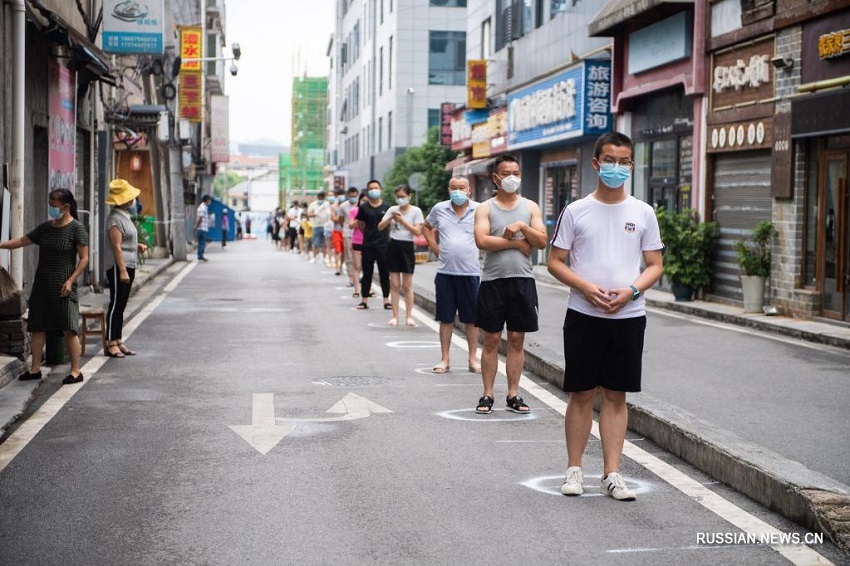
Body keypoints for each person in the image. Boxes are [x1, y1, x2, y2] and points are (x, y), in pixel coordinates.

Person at [547, 132, 664, 501]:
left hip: (629, 316)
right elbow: (554, 261)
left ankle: (612, 474)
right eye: (609, 160)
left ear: (632, 165)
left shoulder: (643, 212)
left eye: (624, 161)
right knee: (581, 392)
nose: (617, 167)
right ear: (596, 164)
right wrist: (585, 287)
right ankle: (574, 470)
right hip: (584, 314)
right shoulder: (576, 210)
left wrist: (632, 291)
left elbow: (655, 265)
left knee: (616, 394)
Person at [473, 154, 548, 415]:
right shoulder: (485, 208)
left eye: (515, 172)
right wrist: (516, 243)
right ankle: (487, 394)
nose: (511, 178)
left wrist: (520, 227)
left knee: (517, 339)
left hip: (523, 281)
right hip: (493, 281)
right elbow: (482, 240)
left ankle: (513, 393)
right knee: (491, 339)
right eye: (506, 173)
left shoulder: (530, 207)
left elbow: (541, 240)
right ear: (496, 178)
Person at [0, 189, 89, 385]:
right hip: (42, 284)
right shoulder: (46, 228)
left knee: (69, 327)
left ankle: (75, 371)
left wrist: (71, 280)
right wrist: (1, 245)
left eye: (53, 203)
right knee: (38, 326)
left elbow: (84, 259)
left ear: (65, 206)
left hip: (64, 285)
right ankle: (35, 369)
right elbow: (24, 240)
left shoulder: (76, 229)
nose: (51, 207)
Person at [422, 175, 481, 374]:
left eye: (462, 187)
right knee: (445, 318)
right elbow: (426, 226)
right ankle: (444, 359)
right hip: (445, 273)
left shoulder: (480, 209)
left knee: (471, 320)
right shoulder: (440, 209)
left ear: (469, 190)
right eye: (454, 187)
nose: (458, 191)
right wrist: (433, 246)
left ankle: (473, 359)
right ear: (448, 190)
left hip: (471, 273)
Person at [103, 179, 147, 358]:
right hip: (118, 266)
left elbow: (126, 242)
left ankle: (119, 339)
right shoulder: (114, 219)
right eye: (130, 197)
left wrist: (138, 245)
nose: (133, 200)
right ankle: (111, 342)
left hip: (129, 264)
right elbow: (116, 247)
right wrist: (121, 270)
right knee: (115, 304)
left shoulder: (124, 216)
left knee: (122, 304)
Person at [378, 184, 423, 327]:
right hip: (393, 245)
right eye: (398, 197)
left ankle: (409, 316)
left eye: (403, 196)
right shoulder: (392, 209)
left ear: (409, 196)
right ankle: (395, 316)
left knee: (407, 285)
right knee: (395, 284)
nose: (400, 199)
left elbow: (417, 232)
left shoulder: (416, 211)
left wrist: (402, 220)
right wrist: (390, 217)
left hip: (407, 246)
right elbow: (380, 227)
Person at [356, 180, 391, 309]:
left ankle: (386, 300)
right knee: (367, 273)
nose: (374, 190)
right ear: (368, 190)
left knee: (384, 274)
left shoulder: (387, 206)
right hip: (368, 244)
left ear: (381, 189)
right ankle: (364, 300)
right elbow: (360, 224)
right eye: (371, 188)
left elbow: (390, 225)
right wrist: (367, 233)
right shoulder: (364, 207)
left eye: (376, 188)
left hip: (384, 245)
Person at [339, 187, 360, 286]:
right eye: (351, 196)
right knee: (349, 256)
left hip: (360, 234)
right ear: (348, 195)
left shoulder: (361, 205)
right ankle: (351, 278)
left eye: (355, 196)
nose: (353, 198)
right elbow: (341, 220)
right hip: (348, 233)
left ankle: (359, 276)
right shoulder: (343, 206)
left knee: (359, 257)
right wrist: (346, 228)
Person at [348, 190, 367, 299]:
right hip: (357, 241)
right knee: (357, 266)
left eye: (367, 201)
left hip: (369, 241)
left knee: (367, 267)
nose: (365, 203)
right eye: (363, 200)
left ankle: (367, 288)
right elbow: (350, 225)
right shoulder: (354, 210)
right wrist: (360, 218)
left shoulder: (373, 211)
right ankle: (356, 289)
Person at [307, 192, 332, 264]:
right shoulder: (313, 204)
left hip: (326, 226)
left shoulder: (327, 204)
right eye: (319, 198)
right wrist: (315, 214)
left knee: (325, 243)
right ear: (317, 197)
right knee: (315, 242)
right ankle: (314, 257)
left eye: (322, 198)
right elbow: (309, 214)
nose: (321, 199)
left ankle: (324, 257)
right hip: (316, 225)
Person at [194, 194, 211, 261]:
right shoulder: (202, 207)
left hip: (203, 228)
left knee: (201, 243)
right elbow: (200, 218)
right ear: (207, 200)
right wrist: (196, 226)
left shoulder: (204, 207)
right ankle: (200, 256)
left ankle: (200, 255)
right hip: (201, 228)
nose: (210, 202)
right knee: (202, 243)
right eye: (209, 200)